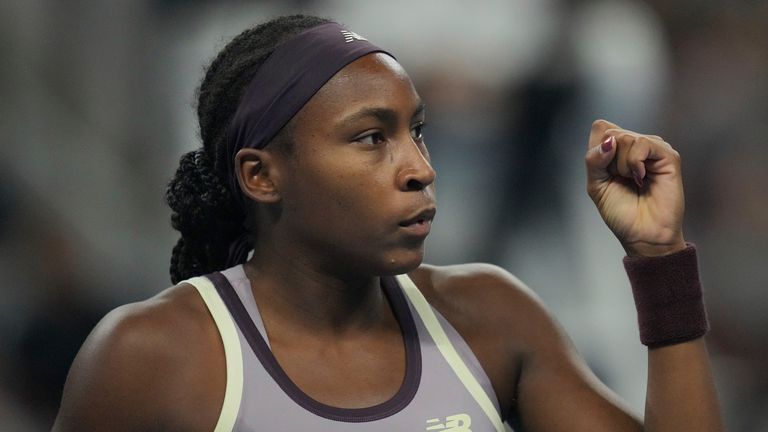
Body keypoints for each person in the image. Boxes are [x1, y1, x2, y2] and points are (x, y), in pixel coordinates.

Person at [53, 15, 723, 431]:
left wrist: (659, 257)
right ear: (262, 176)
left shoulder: (491, 317)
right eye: (372, 138)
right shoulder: (152, 357)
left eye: (418, 133)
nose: (421, 169)